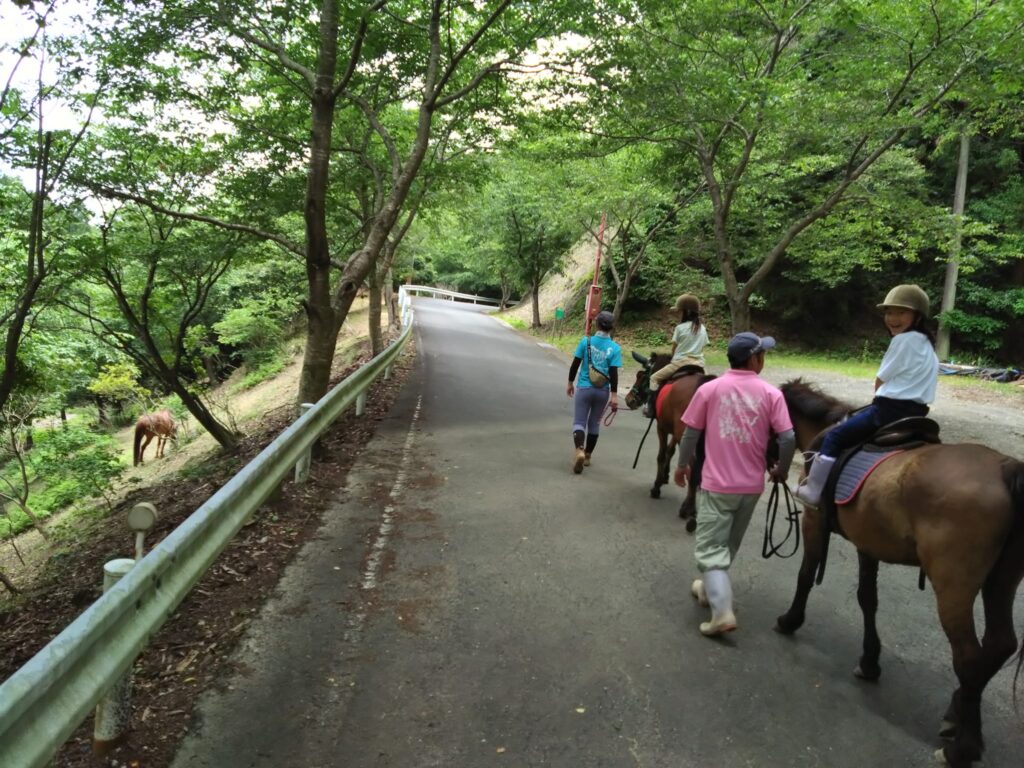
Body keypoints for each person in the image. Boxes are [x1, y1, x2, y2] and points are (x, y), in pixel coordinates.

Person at [673, 332, 796, 636]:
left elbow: (690, 434)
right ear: (754, 359)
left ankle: (722, 613)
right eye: (762, 355)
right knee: (726, 546)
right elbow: (788, 437)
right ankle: (708, 589)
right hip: (752, 488)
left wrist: (682, 465)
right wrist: (781, 468)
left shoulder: (710, 390)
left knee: (711, 549)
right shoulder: (771, 394)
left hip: (716, 485)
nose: (763, 359)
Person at [794, 284, 939, 509]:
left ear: (917, 316)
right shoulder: (927, 343)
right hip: (919, 412)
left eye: (901, 312)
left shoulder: (903, 340)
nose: (893, 318)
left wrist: (878, 398)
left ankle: (813, 491)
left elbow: (881, 379)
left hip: (888, 410)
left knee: (834, 437)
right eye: (889, 312)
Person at [566, 310, 622, 474]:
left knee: (579, 422)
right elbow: (613, 373)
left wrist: (570, 383)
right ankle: (588, 455)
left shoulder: (586, 341)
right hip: (602, 391)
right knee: (594, 424)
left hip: (584, 387)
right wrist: (614, 395)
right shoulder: (615, 348)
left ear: (597, 324)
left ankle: (580, 451)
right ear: (611, 327)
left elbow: (575, 364)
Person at [643, 294, 710, 418]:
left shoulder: (680, 328)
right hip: (699, 364)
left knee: (654, 378)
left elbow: (674, 349)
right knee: (709, 386)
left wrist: (674, 357)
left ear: (686, 311)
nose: (678, 314)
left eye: (679, 311)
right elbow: (702, 347)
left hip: (680, 363)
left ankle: (650, 407)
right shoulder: (703, 329)